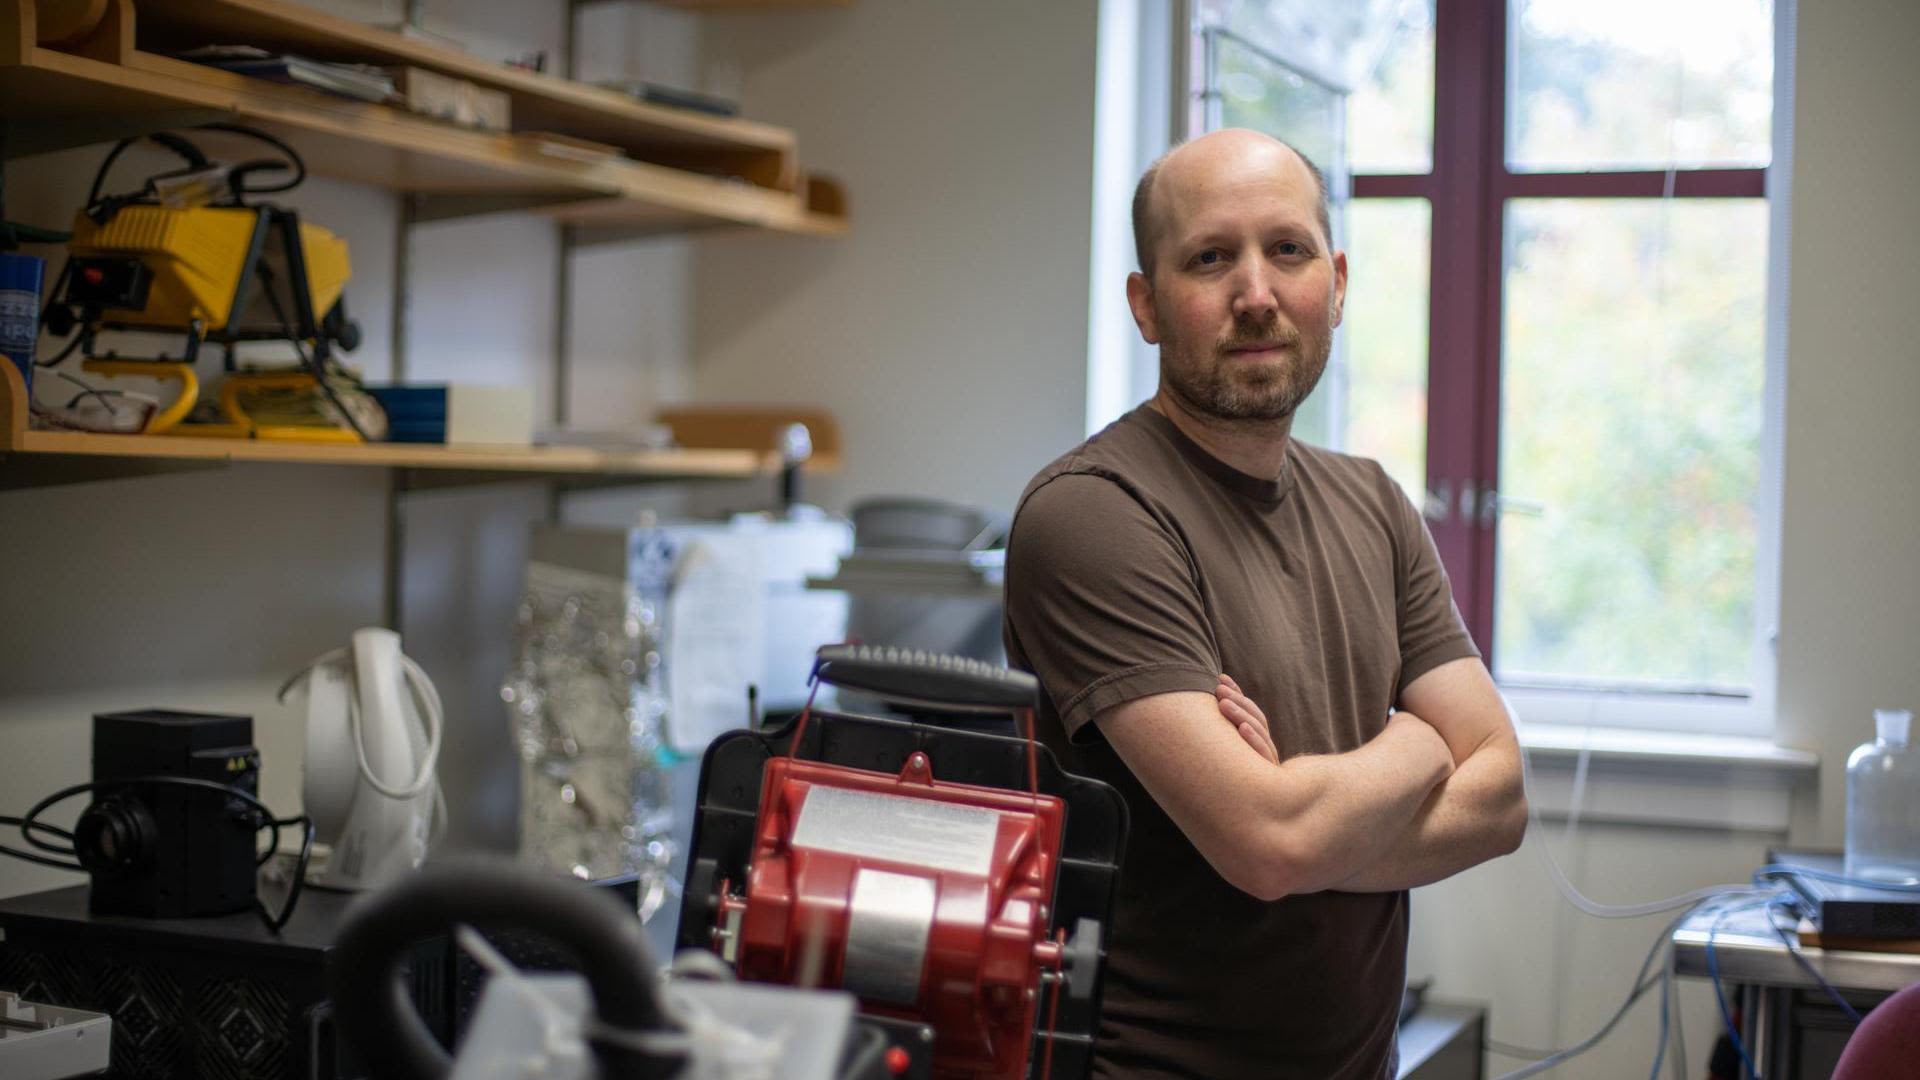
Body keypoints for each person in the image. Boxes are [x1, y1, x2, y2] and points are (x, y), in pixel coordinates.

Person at [1002, 128, 1528, 1079]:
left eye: (1286, 251)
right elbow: (1268, 845)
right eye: (1210, 258)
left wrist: (1301, 813)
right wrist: (1416, 740)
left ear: (1335, 282)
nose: (1256, 294)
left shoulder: (1372, 502)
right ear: (1146, 304)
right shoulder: (1091, 514)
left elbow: (1501, 797)